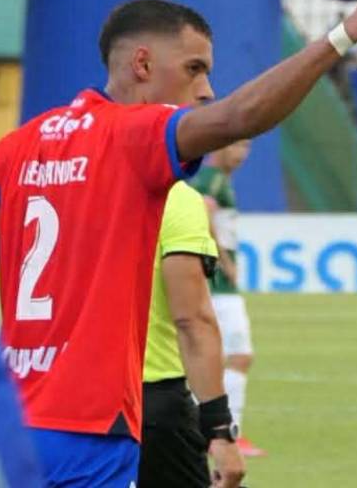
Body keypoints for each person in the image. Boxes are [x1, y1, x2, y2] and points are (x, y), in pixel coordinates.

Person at [0, 0, 357, 486]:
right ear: (142, 65)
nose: (205, 89)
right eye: (195, 69)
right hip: (90, 429)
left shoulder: (19, 146)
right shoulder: (134, 137)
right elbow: (241, 116)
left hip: (9, 430)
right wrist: (345, 35)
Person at [140, 175, 244, 485]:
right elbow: (192, 321)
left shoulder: (35, 177)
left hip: (46, 400)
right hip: (150, 394)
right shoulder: (173, 195)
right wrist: (220, 430)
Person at [190, 140, 264, 457]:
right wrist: (222, 259)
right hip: (218, 287)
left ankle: (204, 430)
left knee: (215, 358)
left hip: (216, 286)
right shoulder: (212, 179)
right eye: (240, 146)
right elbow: (201, 213)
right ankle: (229, 434)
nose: (243, 154)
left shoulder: (217, 180)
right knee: (239, 356)